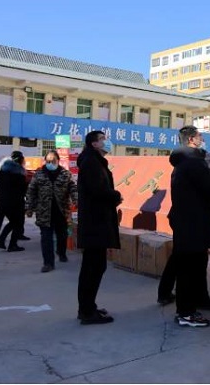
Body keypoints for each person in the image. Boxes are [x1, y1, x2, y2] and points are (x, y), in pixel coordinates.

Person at [166, 126, 210, 328]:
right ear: (191, 140)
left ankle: (195, 303)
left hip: (187, 222)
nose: (202, 139)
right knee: (189, 270)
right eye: (199, 136)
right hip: (193, 224)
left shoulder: (183, 162)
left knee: (194, 267)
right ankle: (186, 313)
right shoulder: (193, 163)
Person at [76, 131, 122, 325]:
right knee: (92, 268)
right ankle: (87, 311)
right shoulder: (91, 163)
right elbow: (97, 190)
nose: (107, 142)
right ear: (94, 144)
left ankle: (89, 307)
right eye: (103, 139)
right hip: (95, 222)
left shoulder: (94, 161)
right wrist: (116, 195)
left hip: (96, 221)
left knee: (95, 266)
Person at [26, 151, 78, 273]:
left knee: (62, 235)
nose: (50, 163)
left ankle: (61, 252)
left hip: (61, 211)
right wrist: (29, 207)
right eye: (48, 161)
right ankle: (48, 263)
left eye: (53, 161)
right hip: (44, 212)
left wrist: (76, 200)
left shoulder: (65, 174)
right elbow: (31, 191)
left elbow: (73, 188)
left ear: (58, 161)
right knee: (46, 238)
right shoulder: (39, 174)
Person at [0, 151, 28, 252]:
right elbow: (22, 190)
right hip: (14, 203)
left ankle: (0, 240)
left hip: (1, 201)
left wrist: (1, 196)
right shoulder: (19, 173)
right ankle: (12, 245)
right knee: (17, 222)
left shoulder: (3, 171)